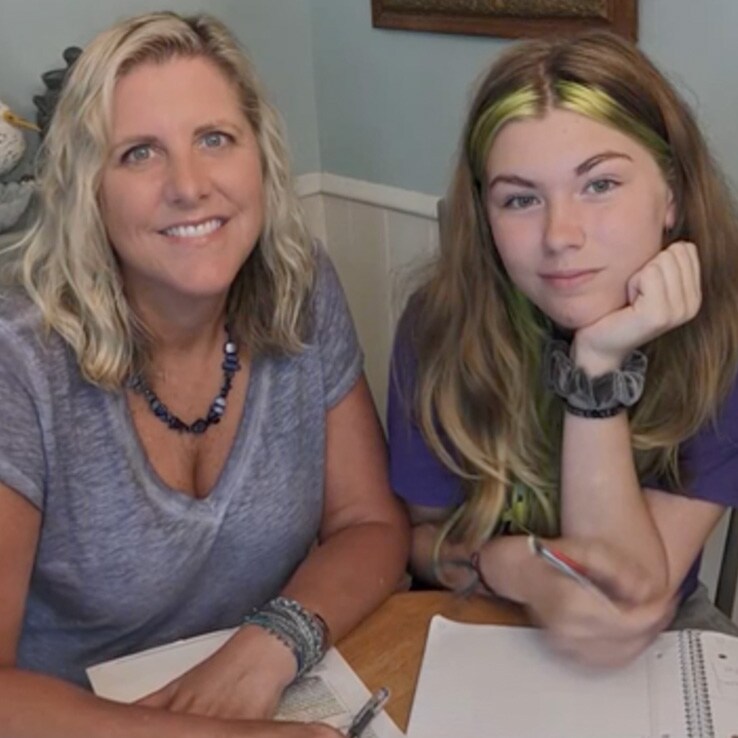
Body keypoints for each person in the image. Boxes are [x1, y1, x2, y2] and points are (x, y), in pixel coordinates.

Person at [0, 11, 409, 738]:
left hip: (271, 693)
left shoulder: (300, 283)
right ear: (87, 187)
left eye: (214, 139)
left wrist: (270, 645)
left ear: (261, 156)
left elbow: (369, 524)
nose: (189, 186)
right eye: (138, 154)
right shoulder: (18, 355)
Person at [388, 30, 738, 667]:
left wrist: (598, 369)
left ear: (673, 196)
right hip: (475, 611)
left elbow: (620, 597)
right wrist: (514, 568)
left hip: (654, 641)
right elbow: (419, 541)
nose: (561, 235)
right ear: (485, 217)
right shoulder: (437, 326)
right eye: (521, 199)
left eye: (599, 184)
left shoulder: (724, 340)